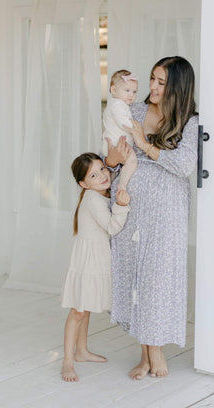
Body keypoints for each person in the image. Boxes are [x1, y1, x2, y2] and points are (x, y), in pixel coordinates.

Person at [105, 56, 198, 380]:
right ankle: (144, 353)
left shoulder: (189, 121)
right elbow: (112, 157)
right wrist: (112, 158)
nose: (153, 87)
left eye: (162, 82)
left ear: (177, 87)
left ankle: (155, 349)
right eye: (152, 79)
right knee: (133, 275)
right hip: (130, 206)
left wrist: (146, 145)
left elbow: (184, 164)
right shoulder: (135, 112)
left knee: (157, 278)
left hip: (166, 210)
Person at [60, 153, 130, 382]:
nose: (102, 176)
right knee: (78, 310)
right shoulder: (92, 198)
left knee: (85, 306)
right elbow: (112, 227)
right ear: (83, 183)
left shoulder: (97, 195)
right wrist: (122, 205)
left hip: (95, 258)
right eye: (93, 174)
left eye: (102, 169)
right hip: (88, 261)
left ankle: (81, 351)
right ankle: (67, 362)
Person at [101, 70, 138, 192]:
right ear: (114, 90)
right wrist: (135, 127)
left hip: (114, 144)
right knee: (132, 161)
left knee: (113, 174)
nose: (131, 95)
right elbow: (122, 121)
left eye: (134, 91)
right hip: (117, 145)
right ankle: (122, 186)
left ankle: (109, 188)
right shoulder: (118, 104)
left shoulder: (117, 104)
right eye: (127, 91)